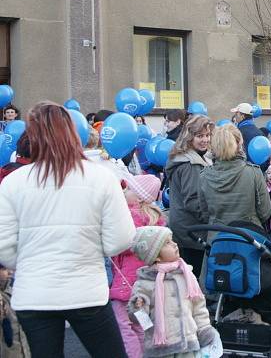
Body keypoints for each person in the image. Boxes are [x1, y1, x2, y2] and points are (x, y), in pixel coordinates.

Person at [0, 102, 135, 358]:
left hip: (34, 291)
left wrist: (30, 260)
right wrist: (91, 250)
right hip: (85, 289)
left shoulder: (13, 183)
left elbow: (4, 247)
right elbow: (121, 238)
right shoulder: (101, 178)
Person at [128, 226, 218, 355]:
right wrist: (138, 308)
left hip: (188, 345)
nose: (174, 244)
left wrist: (204, 329)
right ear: (156, 256)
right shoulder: (144, 283)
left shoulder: (186, 274)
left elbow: (198, 306)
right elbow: (141, 321)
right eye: (167, 243)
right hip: (161, 349)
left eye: (172, 240)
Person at [110, 175, 166, 358]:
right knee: (141, 324)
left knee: (123, 324)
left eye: (129, 190)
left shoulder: (130, 217)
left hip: (127, 281)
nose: (124, 192)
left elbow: (122, 244)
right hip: (146, 281)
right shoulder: (155, 219)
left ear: (139, 197)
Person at [199, 123, 271, 239]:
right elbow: (265, 212)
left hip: (217, 240)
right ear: (239, 144)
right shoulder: (253, 172)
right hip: (249, 238)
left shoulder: (204, 176)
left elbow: (204, 214)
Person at [164, 115, 214, 278]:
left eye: (207, 135)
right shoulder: (189, 164)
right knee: (192, 278)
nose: (205, 140)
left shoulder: (196, 157)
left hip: (186, 228)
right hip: (191, 231)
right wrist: (211, 221)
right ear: (189, 137)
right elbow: (194, 201)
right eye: (200, 136)